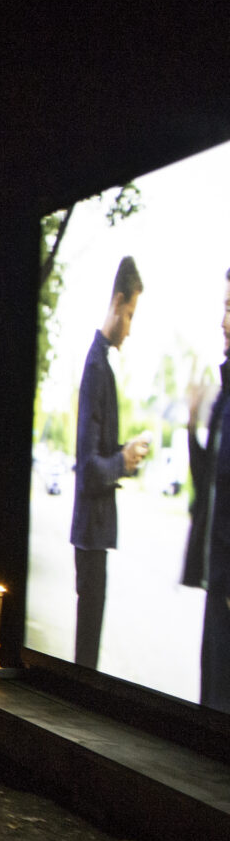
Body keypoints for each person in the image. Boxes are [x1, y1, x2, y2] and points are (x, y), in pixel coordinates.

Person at [69, 256, 154, 671]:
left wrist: (125, 453)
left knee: (88, 652)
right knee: (86, 658)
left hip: (93, 535)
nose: (131, 329)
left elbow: (97, 453)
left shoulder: (101, 364)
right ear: (118, 302)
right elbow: (88, 469)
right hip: (90, 535)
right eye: (131, 315)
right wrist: (121, 460)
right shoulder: (96, 366)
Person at [192, 268, 230, 712]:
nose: (223, 320)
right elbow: (208, 485)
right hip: (215, 584)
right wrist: (189, 426)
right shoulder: (224, 396)